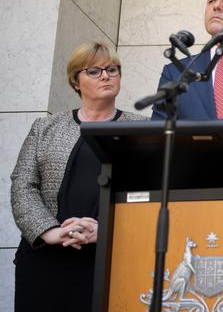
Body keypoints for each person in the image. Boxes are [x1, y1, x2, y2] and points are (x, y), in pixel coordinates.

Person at [10, 42, 148, 311]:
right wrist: (49, 231)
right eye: (94, 71)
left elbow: (147, 192)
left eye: (112, 69)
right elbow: (23, 185)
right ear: (76, 81)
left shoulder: (143, 129)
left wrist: (108, 230)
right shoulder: (46, 127)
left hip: (112, 258)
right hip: (45, 258)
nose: (106, 76)